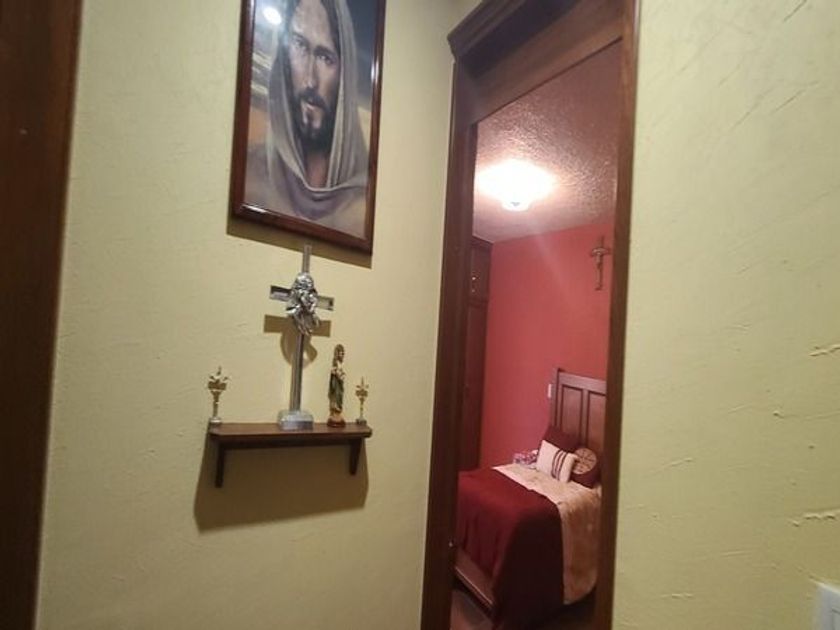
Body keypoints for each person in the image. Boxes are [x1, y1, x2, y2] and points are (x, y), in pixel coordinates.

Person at [245, 0, 368, 238]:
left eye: (325, 58)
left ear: (344, 77)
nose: (311, 81)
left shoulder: (360, 207)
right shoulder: (252, 176)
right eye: (300, 45)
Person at [327, 344, 346, 427]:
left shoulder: (341, 363)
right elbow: (334, 372)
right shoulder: (335, 363)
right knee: (336, 396)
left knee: (340, 396)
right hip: (336, 384)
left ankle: (338, 412)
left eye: (343, 353)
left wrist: (342, 375)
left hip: (340, 383)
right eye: (341, 353)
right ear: (337, 353)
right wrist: (336, 373)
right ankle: (335, 412)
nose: (342, 355)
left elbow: (342, 372)